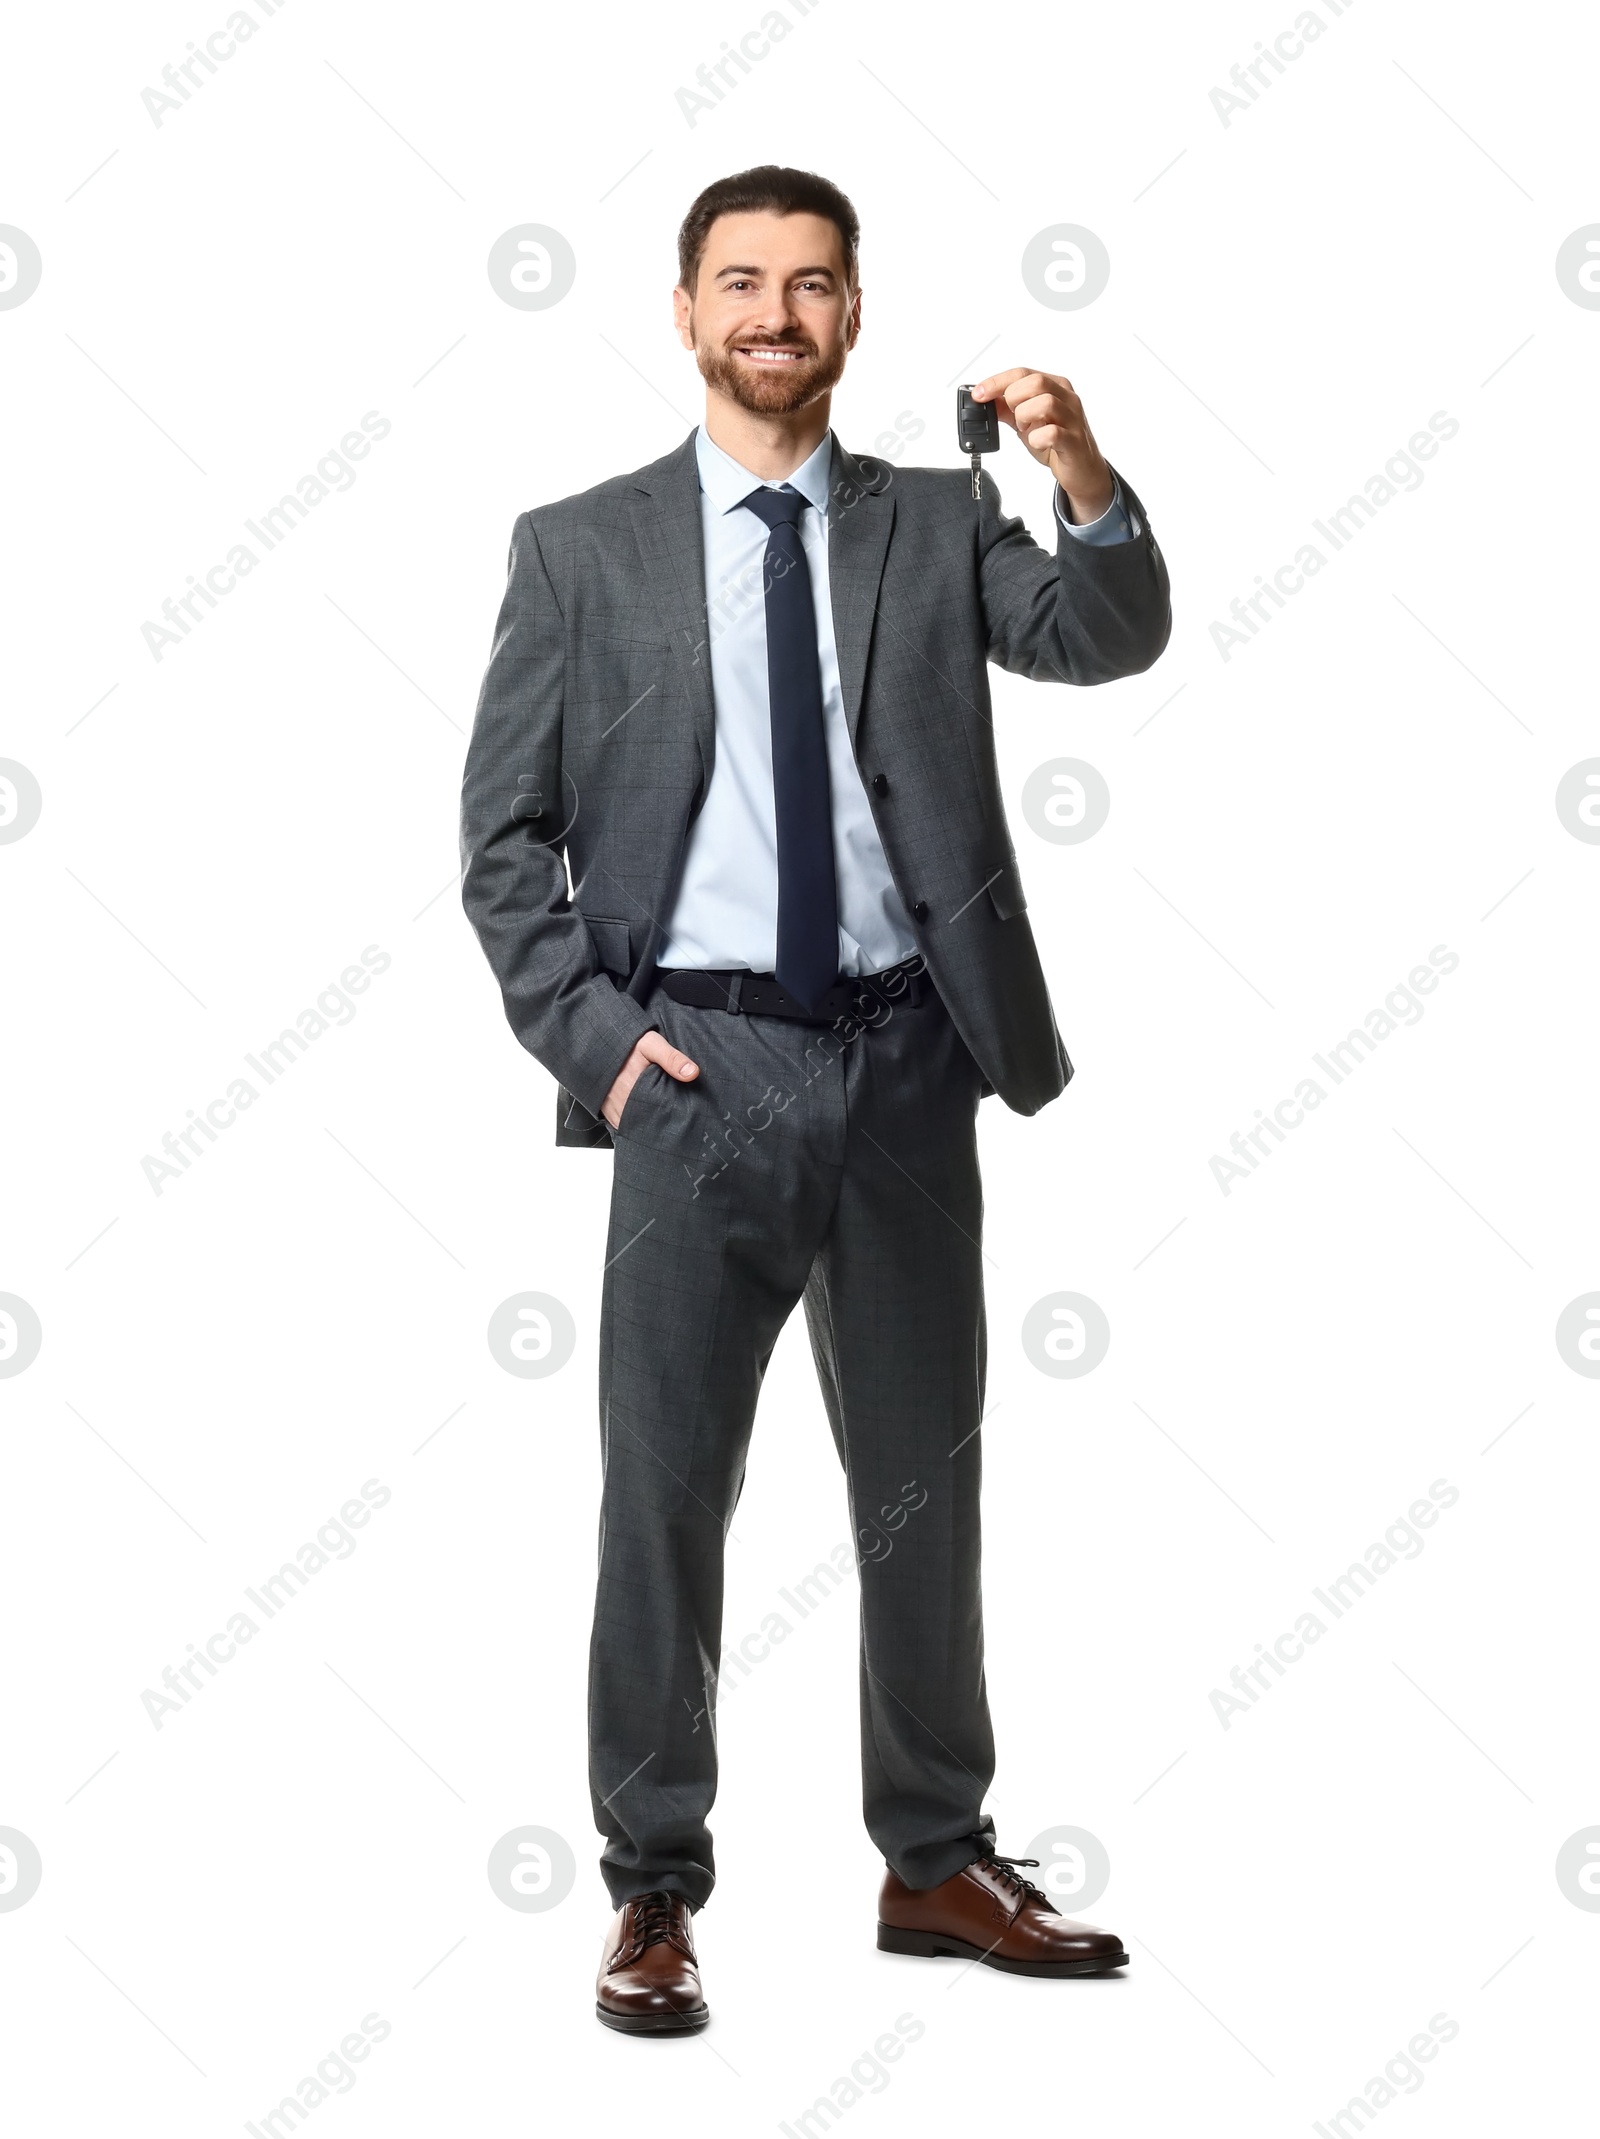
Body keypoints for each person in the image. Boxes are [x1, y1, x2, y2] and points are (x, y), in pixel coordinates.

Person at [460, 165, 1171, 2033]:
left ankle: (935, 1858)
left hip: (911, 1063)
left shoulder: (933, 527)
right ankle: (653, 1890)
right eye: (742, 282)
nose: (776, 313)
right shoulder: (578, 549)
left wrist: (1078, 475)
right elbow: (499, 847)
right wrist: (604, 1047)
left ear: (855, 316)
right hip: (695, 1076)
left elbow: (1109, 638)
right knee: (667, 1497)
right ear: (684, 310)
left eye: (813, 284)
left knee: (927, 1484)